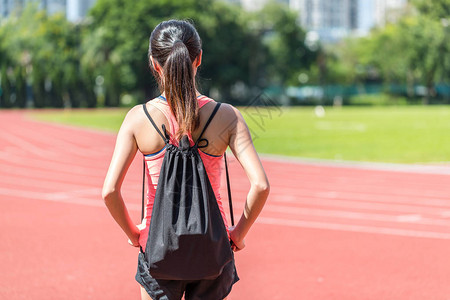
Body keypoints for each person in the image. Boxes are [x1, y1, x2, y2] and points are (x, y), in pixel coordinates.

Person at [102, 19, 269, 300]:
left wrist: (133, 234)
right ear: (199, 58)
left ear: (154, 64)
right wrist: (238, 234)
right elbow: (261, 186)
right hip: (212, 248)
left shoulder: (138, 118)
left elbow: (109, 192)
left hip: (158, 247)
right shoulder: (227, 116)